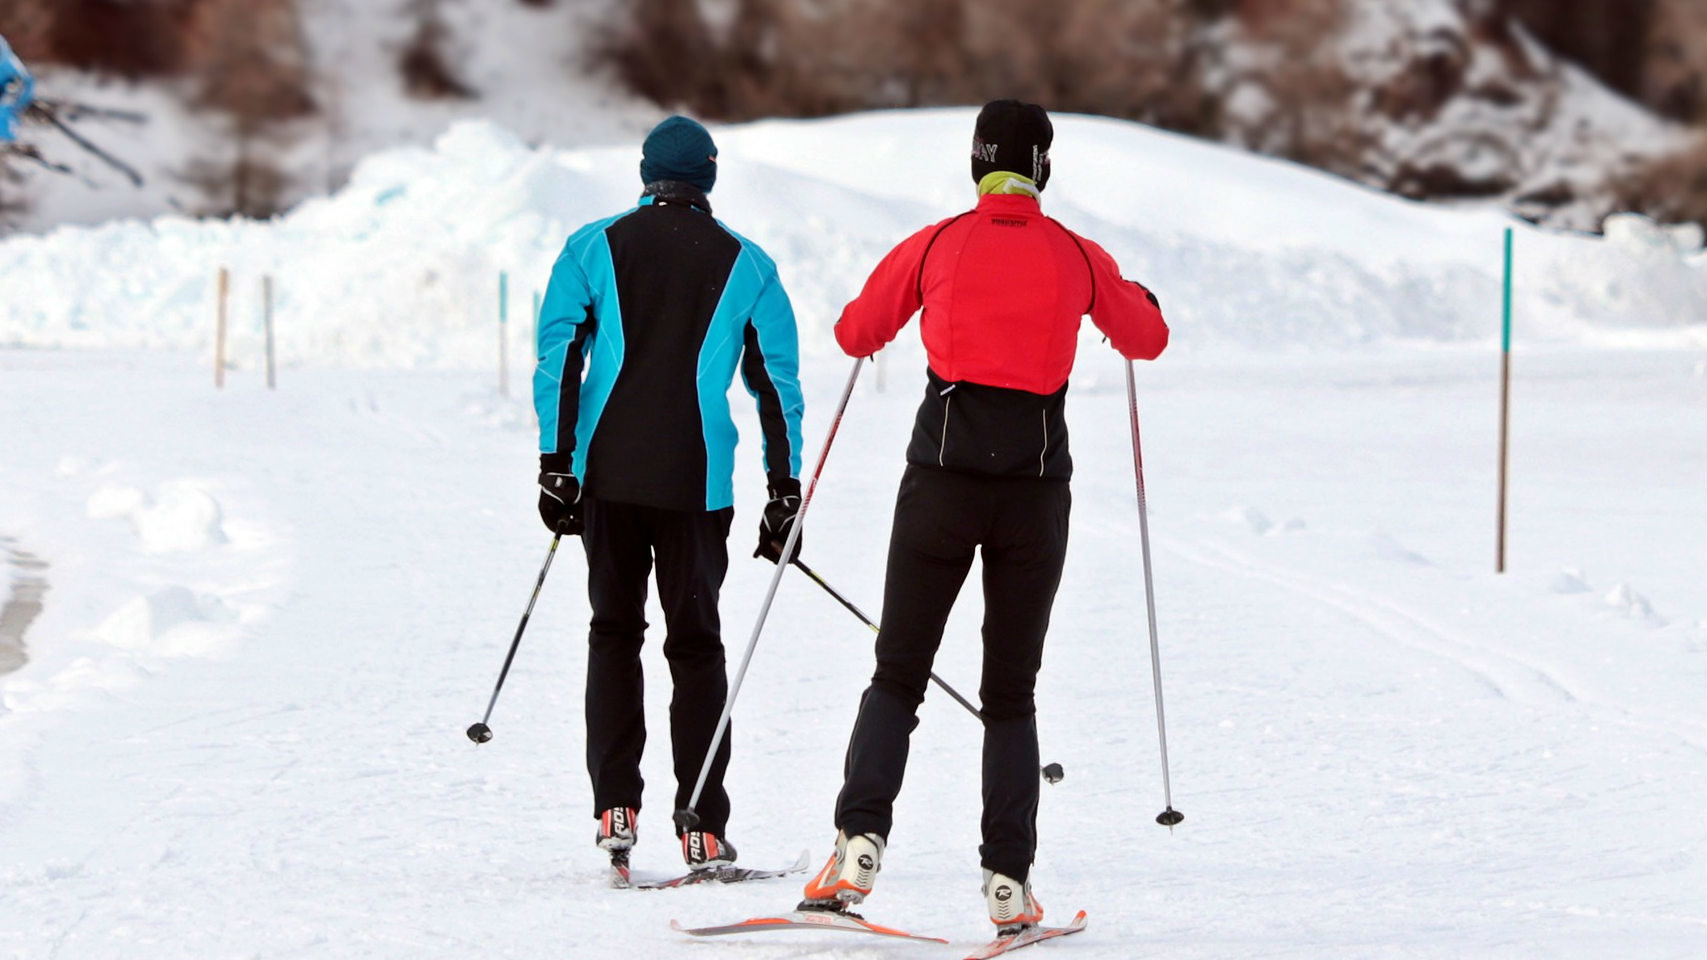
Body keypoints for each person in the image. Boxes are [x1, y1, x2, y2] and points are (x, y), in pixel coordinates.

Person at [800, 100, 1169, 930]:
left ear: (977, 163)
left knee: (898, 670)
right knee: (1010, 693)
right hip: (1034, 497)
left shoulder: (936, 243)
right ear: (1040, 167)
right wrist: (1135, 296)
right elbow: (1145, 338)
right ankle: (1007, 882)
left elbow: (855, 332)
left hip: (939, 485)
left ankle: (857, 846)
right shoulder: (1076, 255)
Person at [533, 115, 806, 873]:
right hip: (697, 484)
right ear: (708, 177)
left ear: (647, 172)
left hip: (608, 478)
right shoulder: (747, 264)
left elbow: (560, 357)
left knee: (613, 633)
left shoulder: (591, 246)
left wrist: (556, 464)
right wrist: (785, 491)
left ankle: (614, 806)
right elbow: (775, 388)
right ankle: (701, 825)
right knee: (695, 647)